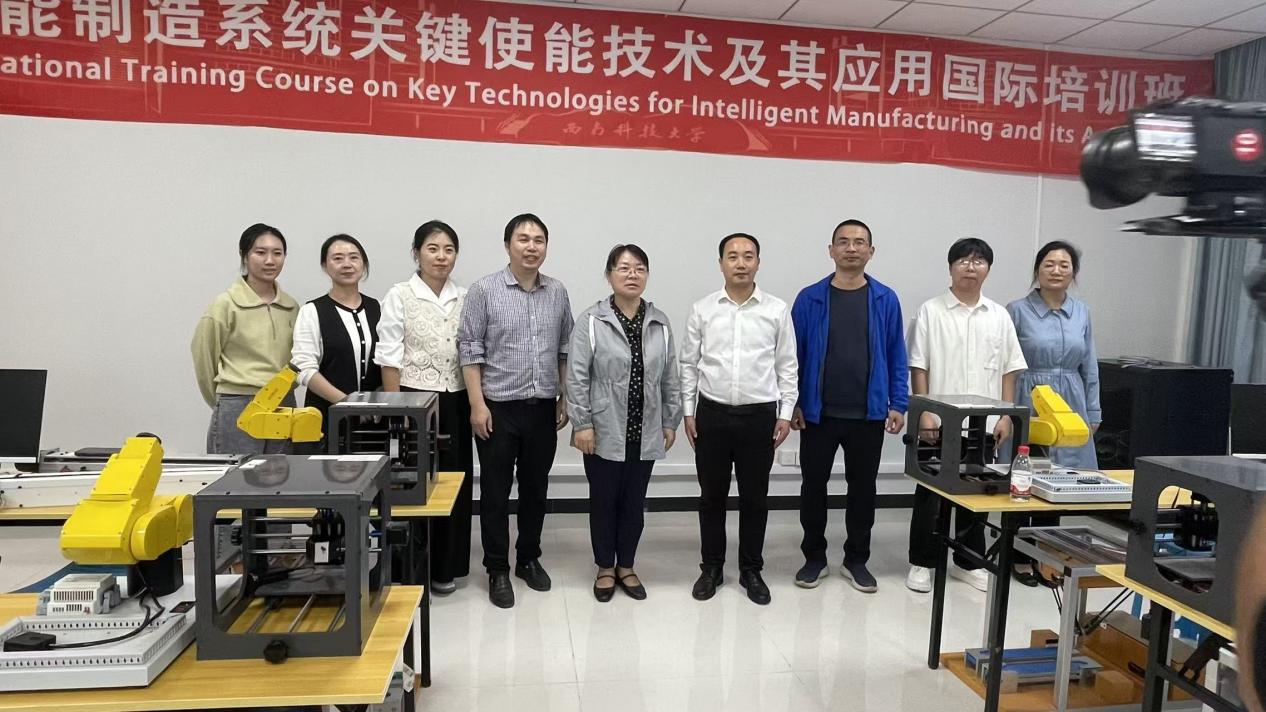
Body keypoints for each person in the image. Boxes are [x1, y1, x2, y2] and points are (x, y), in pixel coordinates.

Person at [458, 213, 573, 609]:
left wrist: (564, 396)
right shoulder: (484, 290)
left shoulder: (556, 292)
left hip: (542, 408)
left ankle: (528, 559)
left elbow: (564, 349)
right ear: (508, 245)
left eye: (539, 240)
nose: (531, 246)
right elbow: (469, 350)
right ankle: (497, 568)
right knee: (494, 493)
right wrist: (477, 405)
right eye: (523, 239)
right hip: (497, 410)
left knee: (535, 490)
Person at [790, 219, 908, 593]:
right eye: (843, 241)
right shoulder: (810, 298)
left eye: (859, 242)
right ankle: (814, 558)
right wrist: (793, 403)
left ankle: (856, 560)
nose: (851, 248)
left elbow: (897, 354)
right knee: (813, 487)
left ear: (871, 251)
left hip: (868, 414)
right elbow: (793, 356)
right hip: (818, 414)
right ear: (831, 251)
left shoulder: (885, 299)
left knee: (863, 490)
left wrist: (898, 403)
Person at [681, 233, 797, 606]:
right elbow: (688, 365)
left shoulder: (776, 310)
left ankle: (751, 569)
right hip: (711, 414)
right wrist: (688, 411)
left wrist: (784, 413)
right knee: (711, 497)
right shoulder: (703, 309)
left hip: (759, 416)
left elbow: (787, 366)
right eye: (733, 256)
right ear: (721, 264)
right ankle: (712, 568)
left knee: (755, 498)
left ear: (758, 263)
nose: (741, 263)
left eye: (748, 256)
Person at [906, 238, 1027, 595]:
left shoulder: (999, 315)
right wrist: (924, 412)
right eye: (963, 260)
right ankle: (922, 562)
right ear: (950, 267)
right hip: (940, 421)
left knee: (978, 492)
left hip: (985, 422)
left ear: (988, 269)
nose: (970, 267)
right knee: (930, 494)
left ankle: (968, 562)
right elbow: (918, 364)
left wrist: (1005, 416)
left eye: (978, 261)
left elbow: (1010, 369)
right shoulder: (931, 311)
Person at [567, 244, 683, 602]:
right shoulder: (592, 321)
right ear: (609, 275)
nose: (632, 275)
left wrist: (670, 420)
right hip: (603, 428)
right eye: (624, 268)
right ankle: (605, 566)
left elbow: (670, 375)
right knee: (604, 500)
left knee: (634, 502)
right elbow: (576, 376)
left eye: (639, 268)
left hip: (645, 428)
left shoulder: (659, 322)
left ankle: (627, 565)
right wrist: (582, 423)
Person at [376, 221, 473, 596]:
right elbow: (389, 357)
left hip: (456, 400)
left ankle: (446, 567)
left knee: (454, 483)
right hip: (413, 402)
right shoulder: (400, 295)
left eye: (449, 249)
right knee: (415, 487)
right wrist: (396, 410)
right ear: (416, 253)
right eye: (433, 248)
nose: (441, 256)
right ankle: (411, 568)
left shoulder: (466, 296)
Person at [1005, 241, 1101, 586]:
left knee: (1061, 480)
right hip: (1029, 397)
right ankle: (1018, 555)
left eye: (1064, 265)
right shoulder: (1017, 310)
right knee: (1026, 475)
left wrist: (1093, 410)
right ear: (1037, 270)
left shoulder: (1082, 312)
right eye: (1049, 264)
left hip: (1069, 401)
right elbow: (1005, 364)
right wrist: (1005, 411)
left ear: (1073, 272)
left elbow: (1089, 364)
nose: (1056, 271)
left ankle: (1048, 557)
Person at [193, 223, 299, 455]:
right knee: (235, 474)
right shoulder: (225, 304)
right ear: (244, 256)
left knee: (281, 473)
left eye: (277, 253)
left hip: (283, 403)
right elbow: (204, 358)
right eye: (260, 252)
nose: (270, 260)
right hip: (239, 403)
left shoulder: (291, 307)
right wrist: (225, 399)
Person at [291, 234, 382, 447]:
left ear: (364, 264)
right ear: (325, 266)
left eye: (354, 257)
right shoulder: (312, 311)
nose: (347, 264)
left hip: (374, 423)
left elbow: (388, 361)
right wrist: (348, 403)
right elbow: (303, 367)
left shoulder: (379, 308)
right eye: (338, 258)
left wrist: (378, 399)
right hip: (325, 419)